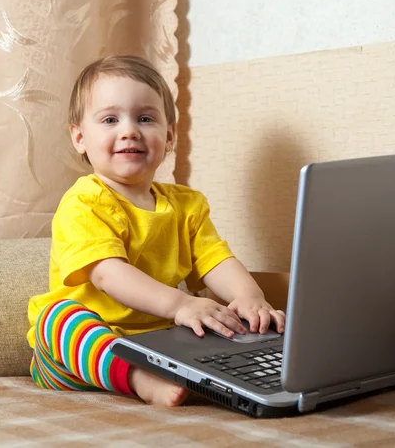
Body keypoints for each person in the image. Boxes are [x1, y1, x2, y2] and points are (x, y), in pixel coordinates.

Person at [27, 55, 285, 407]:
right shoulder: (83, 203)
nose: (129, 130)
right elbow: (107, 275)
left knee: (218, 317)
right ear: (79, 138)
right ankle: (138, 380)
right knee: (56, 319)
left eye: (145, 118)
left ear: (169, 136)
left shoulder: (187, 205)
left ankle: (207, 371)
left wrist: (250, 297)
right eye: (110, 119)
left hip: (158, 340)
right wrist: (180, 303)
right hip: (81, 351)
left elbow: (215, 259)